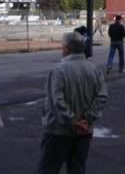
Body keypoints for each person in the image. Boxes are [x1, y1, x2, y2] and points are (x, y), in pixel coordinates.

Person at [38, 32, 108, 174]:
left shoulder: (58, 70)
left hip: (59, 131)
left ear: (68, 49)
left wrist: (72, 120)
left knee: (48, 168)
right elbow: (101, 97)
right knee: (77, 168)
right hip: (84, 131)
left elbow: (56, 101)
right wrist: (86, 119)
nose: (61, 50)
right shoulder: (94, 70)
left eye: (62, 47)